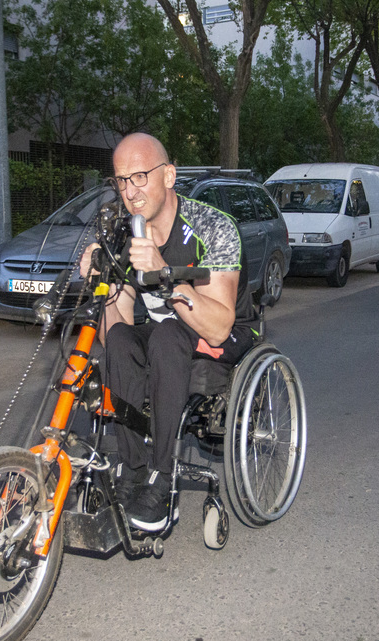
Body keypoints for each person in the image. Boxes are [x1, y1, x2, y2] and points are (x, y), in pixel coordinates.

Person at [78, 133, 255, 532]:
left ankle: (163, 476)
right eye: (121, 180)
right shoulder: (123, 234)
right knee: (123, 340)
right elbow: (116, 323)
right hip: (165, 334)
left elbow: (218, 326)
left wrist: (164, 275)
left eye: (140, 176)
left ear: (169, 175)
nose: (130, 190)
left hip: (224, 334)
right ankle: (133, 469)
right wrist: (100, 281)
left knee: (168, 334)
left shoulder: (213, 227)